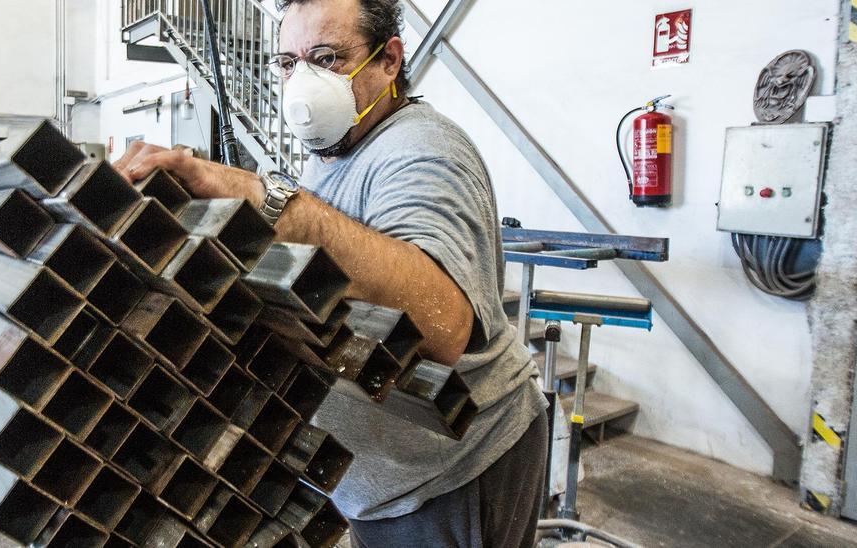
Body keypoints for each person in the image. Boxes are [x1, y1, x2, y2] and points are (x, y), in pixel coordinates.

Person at [113, 0, 547, 545]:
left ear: (389, 61)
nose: (305, 80)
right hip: (378, 475)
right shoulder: (333, 153)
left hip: (453, 470)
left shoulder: (423, 149)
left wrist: (261, 194)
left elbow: (442, 325)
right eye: (290, 63)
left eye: (326, 57)